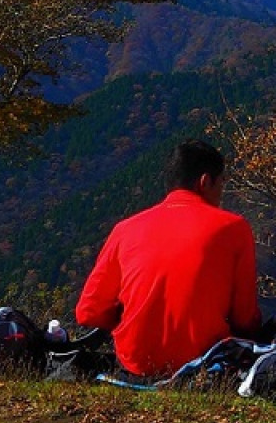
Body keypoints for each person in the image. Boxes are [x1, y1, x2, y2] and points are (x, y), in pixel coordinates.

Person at [76, 140, 262, 380]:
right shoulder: (233, 228)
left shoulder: (125, 229)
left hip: (136, 365)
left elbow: (88, 313)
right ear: (205, 182)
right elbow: (244, 319)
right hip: (203, 365)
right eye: (222, 182)